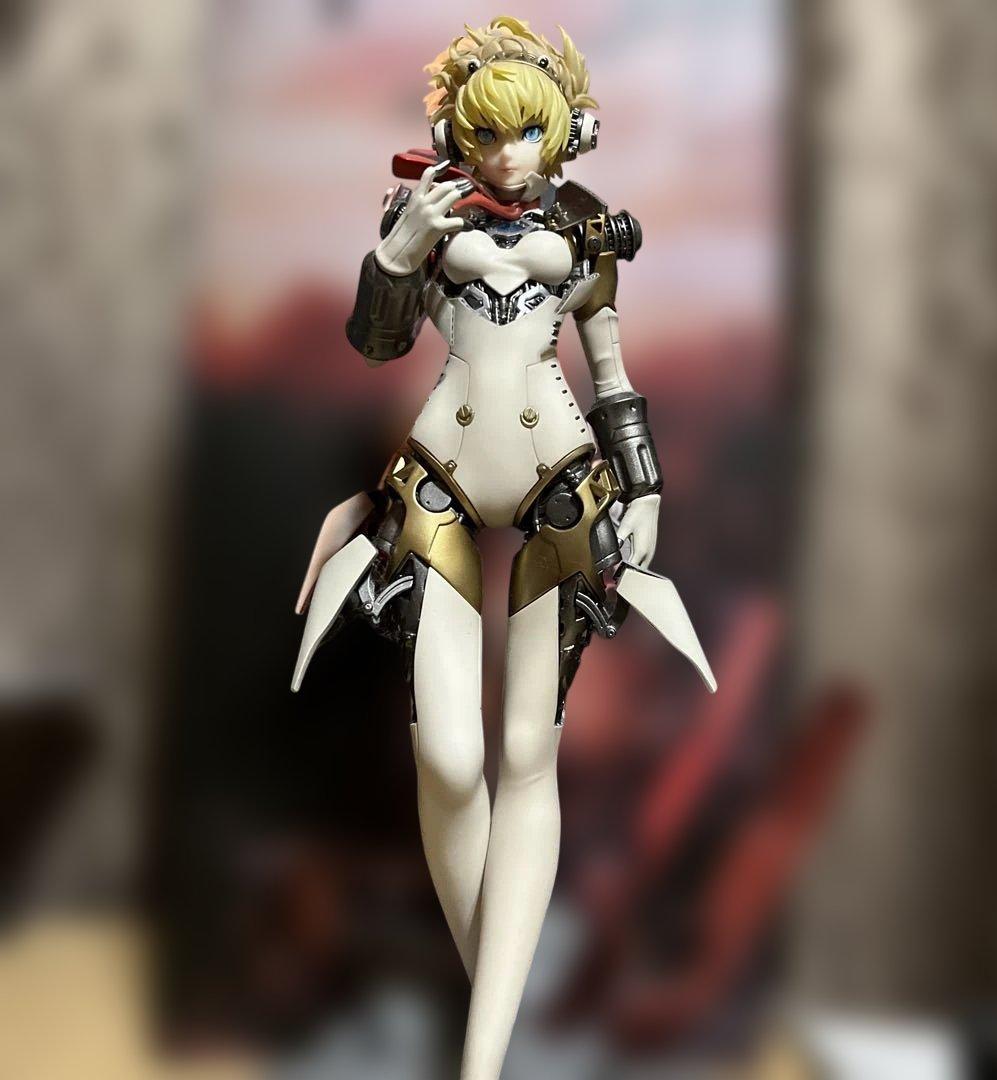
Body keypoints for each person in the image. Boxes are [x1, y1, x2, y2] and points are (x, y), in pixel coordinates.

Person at [291, 16, 714, 1079]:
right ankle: (506, 1027)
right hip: (436, 476)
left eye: (529, 133)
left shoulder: (589, 230)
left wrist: (646, 487)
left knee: (528, 754)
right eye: (488, 133)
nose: (509, 155)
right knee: (448, 758)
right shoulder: (426, 215)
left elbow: (610, 373)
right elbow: (377, 344)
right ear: (458, 134)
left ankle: (479, 1063)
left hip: (559, 478)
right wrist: (392, 258)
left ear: (565, 133)